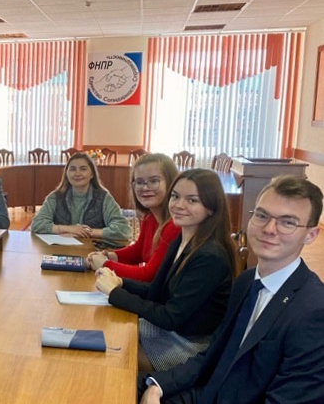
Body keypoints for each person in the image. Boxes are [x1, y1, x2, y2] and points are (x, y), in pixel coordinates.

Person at [139, 175, 324, 404]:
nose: (269, 229)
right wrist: (157, 386)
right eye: (262, 215)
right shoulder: (246, 281)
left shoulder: (314, 312)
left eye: (288, 223)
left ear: (311, 235)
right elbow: (212, 355)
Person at [95, 169, 238, 372]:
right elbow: (157, 290)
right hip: (172, 331)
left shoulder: (210, 256)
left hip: (191, 345)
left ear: (211, 208)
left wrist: (115, 293)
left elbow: (170, 317)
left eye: (192, 200)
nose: (178, 205)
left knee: (110, 356)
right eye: (175, 196)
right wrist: (121, 282)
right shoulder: (182, 239)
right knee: (104, 331)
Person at [86, 153, 181, 281]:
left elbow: (149, 275)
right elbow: (139, 251)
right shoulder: (149, 217)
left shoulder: (174, 225)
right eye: (139, 182)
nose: (145, 187)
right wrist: (109, 256)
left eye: (154, 181)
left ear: (171, 183)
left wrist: (105, 264)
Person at [31, 152, 130, 240]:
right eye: (72, 169)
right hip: (61, 249)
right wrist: (68, 229)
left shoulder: (103, 197)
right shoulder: (55, 197)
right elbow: (37, 224)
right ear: (66, 174)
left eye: (83, 169)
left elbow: (123, 229)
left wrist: (87, 232)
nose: (77, 174)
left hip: (93, 250)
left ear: (92, 174)